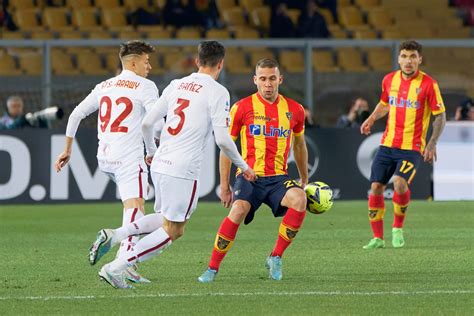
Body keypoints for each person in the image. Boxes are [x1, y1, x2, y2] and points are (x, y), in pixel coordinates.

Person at [86, 40, 256, 289]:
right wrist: (244, 165)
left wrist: (152, 152)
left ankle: (116, 235)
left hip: (161, 163)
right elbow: (222, 139)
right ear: (221, 64)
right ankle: (116, 266)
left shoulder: (176, 85)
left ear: (197, 61)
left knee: (166, 218)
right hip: (183, 167)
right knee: (175, 230)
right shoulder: (218, 92)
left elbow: (147, 124)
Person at [54, 40, 161, 283]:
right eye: (146, 61)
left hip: (105, 158)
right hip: (128, 157)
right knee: (135, 207)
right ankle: (123, 265)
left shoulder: (104, 85)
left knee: (134, 206)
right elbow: (154, 121)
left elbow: (76, 114)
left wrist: (67, 149)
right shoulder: (145, 86)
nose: (150, 66)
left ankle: (127, 263)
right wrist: (156, 145)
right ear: (133, 62)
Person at [198, 58, 309, 283]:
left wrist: (304, 179)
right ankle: (212, 268)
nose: (268, 84)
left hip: (279, 178)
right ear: (255, 80)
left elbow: (299, 145)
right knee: (238, 210)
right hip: (250, 176)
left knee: (299, 199)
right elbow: (226, 148)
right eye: (263, 79)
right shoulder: (242, 108)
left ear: (280, 79)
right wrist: (224, 185)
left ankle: (276, 257)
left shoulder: (295, 110)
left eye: (272, 79)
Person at [360, 40, 446, 249]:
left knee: (399, 183)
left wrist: (432, 142)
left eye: (413, 57)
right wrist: (371, 119)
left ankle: (397, 228)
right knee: (376, 187)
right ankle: (378, 238)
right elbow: (384, 104)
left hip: (412, 147)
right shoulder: (389, 80)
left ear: (420, 59)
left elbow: (440, 116)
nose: (408, 61)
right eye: (405, 56)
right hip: (387, 144)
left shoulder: (428, 84)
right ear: (398, 58)